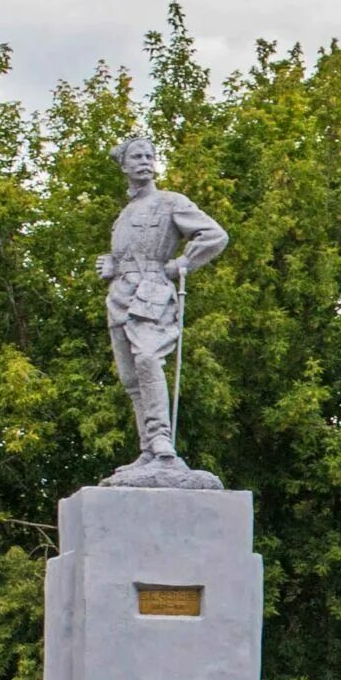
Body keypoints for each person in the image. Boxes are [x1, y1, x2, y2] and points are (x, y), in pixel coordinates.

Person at [94, 133, 228, 475]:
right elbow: (125, 255)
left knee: (149, 360)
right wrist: (109, 265)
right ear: (124, 165)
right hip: (120, 296)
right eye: (136, 157)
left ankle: (162, 443)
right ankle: (148, 450)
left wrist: (183, 263)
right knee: (130, 377)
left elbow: (214, 235)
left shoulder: (170, 201)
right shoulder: (124, 214)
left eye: (148, 156)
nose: (144, 162)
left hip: (152, 292)